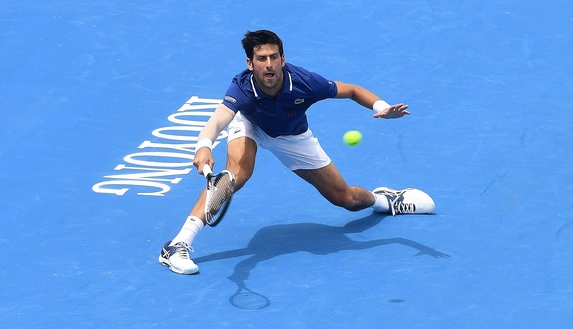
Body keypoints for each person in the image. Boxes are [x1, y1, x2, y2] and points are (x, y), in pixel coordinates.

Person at [158, 30, 435, 275]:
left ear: (282, 59)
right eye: (262, 58)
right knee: (234, 176)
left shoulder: (304, 82)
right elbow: (219, 119)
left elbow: (351, 90)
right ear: (250, 63)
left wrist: (380, 107)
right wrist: (204, 145)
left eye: (274, 57)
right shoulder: (243, 86)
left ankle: (385, 200)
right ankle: (177, 244)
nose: (269, 65)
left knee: (344, 198)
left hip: (293, 136)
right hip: (250, 124)